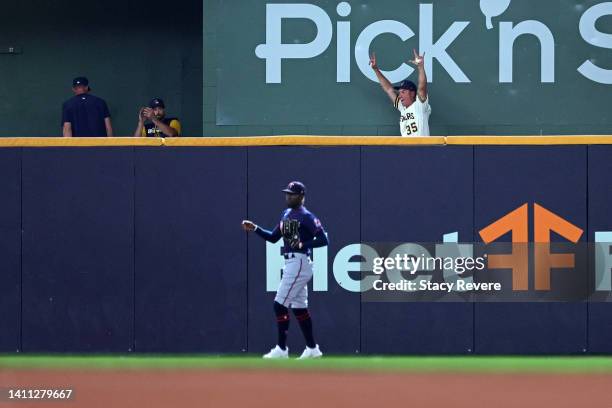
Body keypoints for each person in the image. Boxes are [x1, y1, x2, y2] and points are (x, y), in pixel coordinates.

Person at [242, 181, 329, 359]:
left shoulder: (307, 217)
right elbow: (274, 238)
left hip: (299, 262)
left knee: (279, 305)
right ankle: (313, 349)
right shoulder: (286, 213)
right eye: (287, 193)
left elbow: (323, 240)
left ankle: (282, 349)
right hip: (291, 262)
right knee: (299, 308)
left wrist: (304, 243)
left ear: (302, 197)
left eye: (293, 194)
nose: (288, 196)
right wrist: (256, 228)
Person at [370, 49, 431, 137]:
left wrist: (420, 67)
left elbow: (421, 88)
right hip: (406, 149)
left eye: (403, 92)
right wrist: (376, 69)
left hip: (423, 148)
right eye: (399, 92)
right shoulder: (402, 108)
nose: (400, 94)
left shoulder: (420, 105)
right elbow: (388, 89)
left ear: (412, 93)